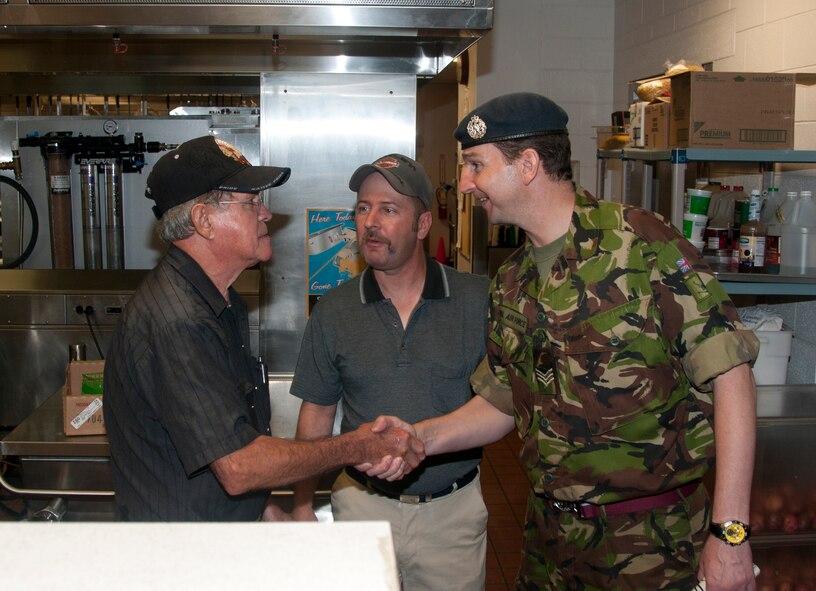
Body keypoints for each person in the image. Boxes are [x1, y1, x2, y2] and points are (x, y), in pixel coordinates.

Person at [372, 93, 760, 591]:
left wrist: (730, 535)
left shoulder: (640, 245)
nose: (465, 184)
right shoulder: (511, 279)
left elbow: (733, 377)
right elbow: (503, 400)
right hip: (549, 547)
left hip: (651, 549)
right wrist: (420, 438)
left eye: (476, 166)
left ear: (528, 165)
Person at [103, 136, 424, 521]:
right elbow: (238, 467)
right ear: (204, 221)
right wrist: (358, 446)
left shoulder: (220, 301)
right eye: (251, 202)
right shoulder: (179, 321)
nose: (266, 214)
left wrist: (266, 510)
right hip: (184, 557)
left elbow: (216, 446)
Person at [289, 153, 490, 590]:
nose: (370, 222)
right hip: (361, 506)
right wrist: (302, 503)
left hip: (451, 516)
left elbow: (502, 404)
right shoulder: (334, 310)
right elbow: (317, 415)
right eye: (363, 208)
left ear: (421, 226)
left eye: (388, 209)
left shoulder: (477, 302)